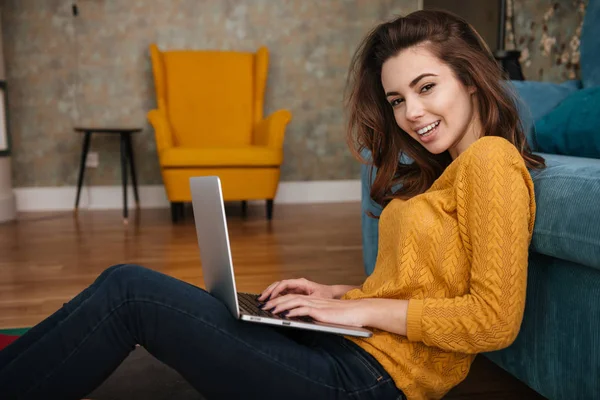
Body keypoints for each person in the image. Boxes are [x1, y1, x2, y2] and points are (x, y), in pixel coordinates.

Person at [0, 9, 545, 400]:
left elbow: (493, 322)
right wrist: (335, 295)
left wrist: (356, 309)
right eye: (398, 99)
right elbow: (426, 286)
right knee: (157, 294)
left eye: (427, 87)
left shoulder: (491, 160)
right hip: (355, 351)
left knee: (129, 292)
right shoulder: (446, 172)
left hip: (371, 382)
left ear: (471, 80)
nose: (411, 112)